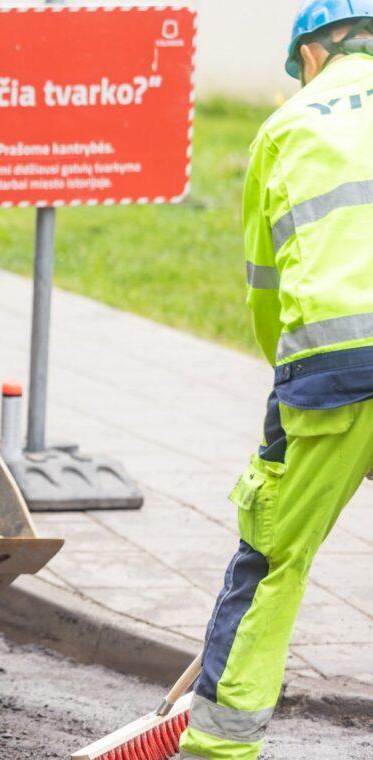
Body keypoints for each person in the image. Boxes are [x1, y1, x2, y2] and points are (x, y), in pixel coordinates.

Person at [179, 2, 373, 758]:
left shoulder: (288, 128)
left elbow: (266, 288)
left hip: (330, 374)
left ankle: (220, 748)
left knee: (272, 562)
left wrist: (287, 373)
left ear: (312, 58)